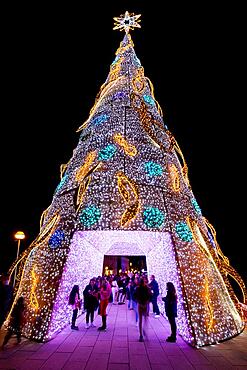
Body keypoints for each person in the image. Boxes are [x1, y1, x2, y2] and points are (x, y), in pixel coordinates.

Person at [134, 277, 152, 342]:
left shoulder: (137, 288)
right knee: (145, 319)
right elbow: (150, 296)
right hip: (145, 305)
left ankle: (141, 335)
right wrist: (147, 302)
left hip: (140, 305)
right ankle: (143, 330)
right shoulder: (147, 288)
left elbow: (135, 296)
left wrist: (138, 302)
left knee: (140, 320)